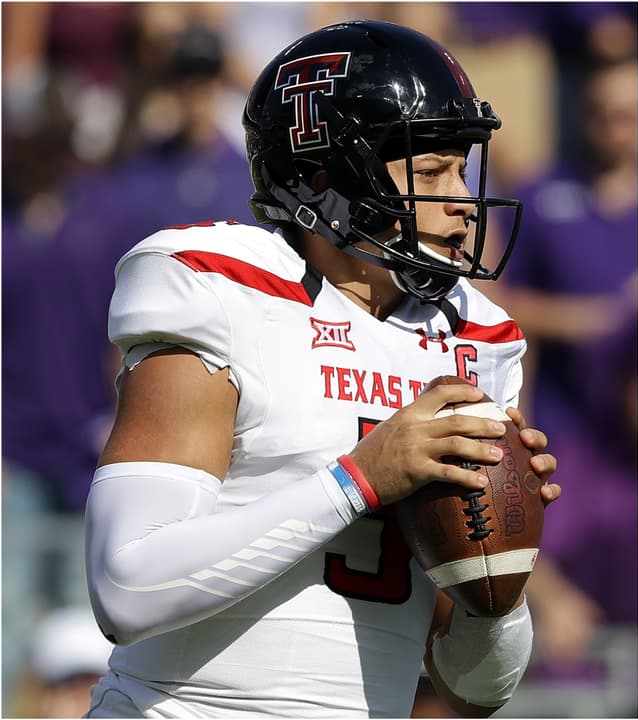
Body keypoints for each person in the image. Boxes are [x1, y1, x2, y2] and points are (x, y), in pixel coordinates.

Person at [83, 20, 559, 718]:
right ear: (323, 178)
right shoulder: (224, 288)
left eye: (462, 167)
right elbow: (127, 587)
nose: (461, 198)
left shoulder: (478, 337)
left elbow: (478, 686)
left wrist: (499, 577)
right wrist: (362, 477)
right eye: (429, 171)